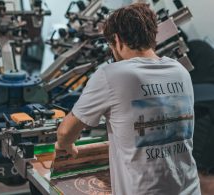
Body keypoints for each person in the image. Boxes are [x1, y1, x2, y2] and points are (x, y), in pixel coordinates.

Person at [55, 3, 201, 195]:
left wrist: (64, 145)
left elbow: (66, 132)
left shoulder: (111, 74)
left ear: (117, 39)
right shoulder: (181, 72)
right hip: (190, 189)